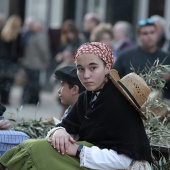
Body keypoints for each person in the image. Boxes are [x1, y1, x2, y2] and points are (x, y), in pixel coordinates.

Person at [0, 42, 152, 170]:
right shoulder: (87, 97)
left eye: (93, 68)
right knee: (30, 144)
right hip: (90, 161)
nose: (86, 76)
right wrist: (58, 132)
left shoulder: (119, 103)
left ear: (107, 68)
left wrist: (79, 150)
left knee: (36, 150)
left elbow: (126, 160)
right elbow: (67, 126)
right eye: (80, 69)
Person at [113, 18, 170, 102]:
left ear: (157, 34)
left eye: (152, 32)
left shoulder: (167, 57)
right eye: (145, 33)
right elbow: (114, 81)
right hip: (130, 106)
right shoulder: (125, 56)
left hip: (160, 108)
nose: (149, 36)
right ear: (139, 36)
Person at [0, 15, 22, 104]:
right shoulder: (18, 35)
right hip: (11, 62)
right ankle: (5, 99)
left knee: (2, 80)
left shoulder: (2, 33)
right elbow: (19, 50)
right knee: (8, 81)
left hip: (2, 61)